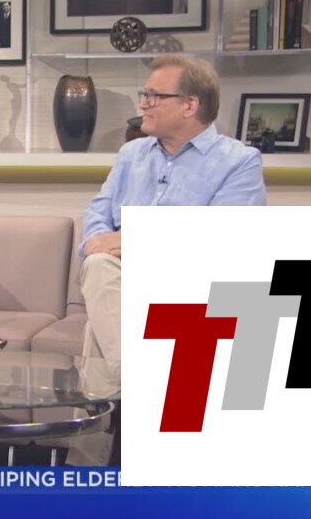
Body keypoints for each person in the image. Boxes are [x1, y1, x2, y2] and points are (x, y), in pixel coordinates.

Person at [69, 55, 266, 465]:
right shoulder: (131, 155)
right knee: (101, 270)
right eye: (144, 94)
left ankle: (87, 472)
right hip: (120, 280)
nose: (143, 103)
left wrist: (131, 240)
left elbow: (228, 241)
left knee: (102, 322)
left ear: (190, 105)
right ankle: (144, 394)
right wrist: (96, 243)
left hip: (186, 287)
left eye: (154, 96)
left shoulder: (238, 161)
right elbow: (96, 215)